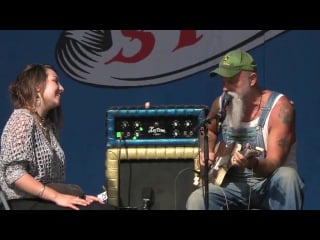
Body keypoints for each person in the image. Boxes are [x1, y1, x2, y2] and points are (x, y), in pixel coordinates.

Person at [186, 49, 304, 210]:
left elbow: (273, 163)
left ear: (252, 79)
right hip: (232, 185)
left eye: (232, 81)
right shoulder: (222, 104)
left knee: (287, 177)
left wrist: (252, 163)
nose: (225, 88)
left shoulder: (279, 108)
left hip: (267, 184)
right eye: (223, 82)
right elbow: (208, 130)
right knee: (198, 199)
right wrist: (207, 151)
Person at [0, 64, 116, 210]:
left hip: (45, 201)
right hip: (23, 203)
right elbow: (14, 174)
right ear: (37, 86)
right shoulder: (22, 119)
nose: (62, 88)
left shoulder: (49, 127)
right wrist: (57, 197)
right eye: (55, 81)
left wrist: (77, 198)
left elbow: (52, 183)